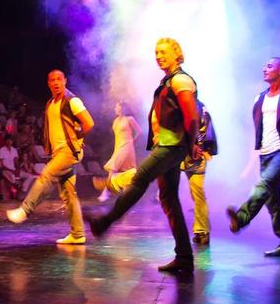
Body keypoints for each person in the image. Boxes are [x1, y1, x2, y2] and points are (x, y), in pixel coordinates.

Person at [87, 38, 199, 274]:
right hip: (167, 144)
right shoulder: (168, 80)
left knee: (140, 178)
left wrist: (192, 144)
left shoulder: (180, 80)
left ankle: (105, 222)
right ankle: (184, 257)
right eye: (156, 52)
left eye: (164, 52)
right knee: (169, 199)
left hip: (172, 145)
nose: (158, 56)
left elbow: (191, 116)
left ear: (177, 54)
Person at [6, 70, 95, 246]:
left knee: (46, 175)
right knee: (69, 195)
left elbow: (89, 123)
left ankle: (25, 210)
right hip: (58, 152)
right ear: (48, 83)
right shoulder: (50, 103)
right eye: (52, 80)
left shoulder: (72, 101)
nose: (56, 83)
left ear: (65, 81)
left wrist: (77, 139)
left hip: (68, 151)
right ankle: (78, 234)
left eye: (59, 79)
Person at [227, 57, 280, 258]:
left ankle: (241, 218)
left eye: (269, 66)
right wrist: (257, 151)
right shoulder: (259, 99)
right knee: (271, 200)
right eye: (264, 66)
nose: (264, 69)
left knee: (264, 185)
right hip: (266, 153)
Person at [182, 100, 217, 245]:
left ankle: (202, 231)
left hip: (192, 155)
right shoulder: (180, 103)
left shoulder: (199, 107)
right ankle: (201, 231)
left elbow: (205, 129)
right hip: (183, 154)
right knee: (197, 194)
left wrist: (200, 148)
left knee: (197, 193)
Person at [97, 101, 141, 201]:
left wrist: (132, 142)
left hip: (127, 146)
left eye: (116, 107)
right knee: (126, 172)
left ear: (122, 108)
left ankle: (106, 191)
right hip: (118, 147)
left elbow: (139, 132)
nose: (115, 109)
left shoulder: (129, 119)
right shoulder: (116, 121)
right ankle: (127, 195)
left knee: (113, 168)